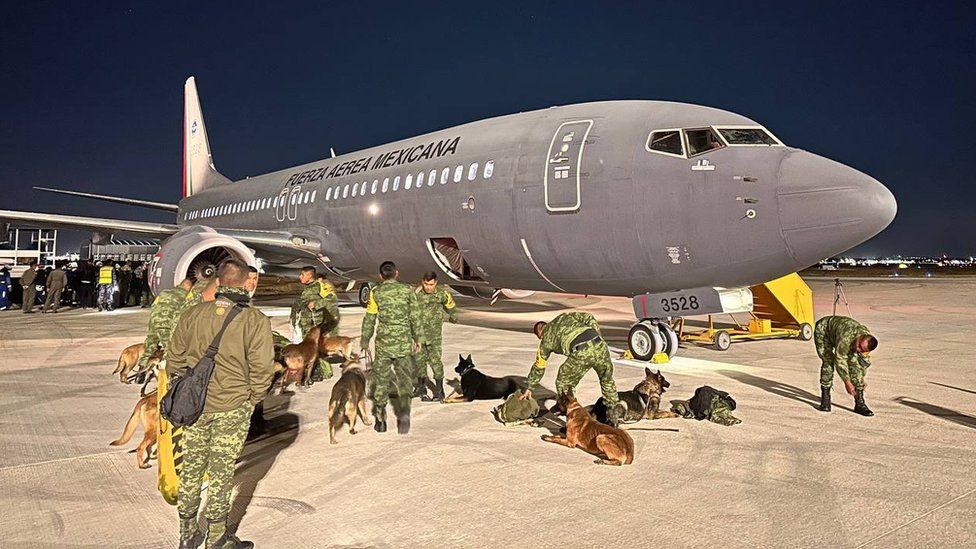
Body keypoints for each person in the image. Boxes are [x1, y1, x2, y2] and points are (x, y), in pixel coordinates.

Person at [165, 258, 274, 549]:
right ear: (244, 283)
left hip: (195, 407)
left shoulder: (192, 314)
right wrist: (252, 399)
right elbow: (263, 370)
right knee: (222, 472)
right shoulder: (255, 320)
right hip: (233, 406)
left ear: (220, 282)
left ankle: (187, 534)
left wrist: (186, 389)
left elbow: (173, 360)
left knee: (191, 468)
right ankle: (216, 537)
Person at [519, 312, 622, 426]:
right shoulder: (564, 317)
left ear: (539, 334)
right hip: (600, 344)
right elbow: (589, 317)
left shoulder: (545, 339)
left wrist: (530, 388)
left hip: (582, 351)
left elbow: (539, 366)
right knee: (607, 380)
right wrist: (597, 335)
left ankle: (572, 420)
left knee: (563, 382)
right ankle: (613, 417)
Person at [361, 261, 420, 434]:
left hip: (384, 345)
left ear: (381, 276)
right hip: (403, 343)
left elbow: (370, 318)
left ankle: (380, 420)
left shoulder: (376, 293)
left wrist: (365, 340)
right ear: (397, 273)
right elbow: (415, 316)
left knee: (381, 381)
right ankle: (404, 415)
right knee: (405, 380)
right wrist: (418, 339)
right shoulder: (407, 291)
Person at [814, 315, 878, 416]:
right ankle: (825, 398)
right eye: (859, 347)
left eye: (862, 350)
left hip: (840, 334)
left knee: (854, 365)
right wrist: (847, 383)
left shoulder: (866, 341)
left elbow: (862, 364)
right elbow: (840, 361)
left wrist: (861, 380)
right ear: (859, 338)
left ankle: (860, 404)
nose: (858, 350)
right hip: (824, 331)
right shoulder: (846, 338)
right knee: (828, 362)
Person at [413, 272, 458, 402]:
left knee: (435, 362)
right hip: (419, 335)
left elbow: (451, 307)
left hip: (434, 336)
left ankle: (439, 390)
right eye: (426, 284)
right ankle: (421, 387)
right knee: (419, 362)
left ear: (436, 283)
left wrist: (453, 316)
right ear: (422, 282)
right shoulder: (416, 295)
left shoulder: (442, 294)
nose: (428, 287)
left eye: (431, 284)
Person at [136, 278, 194, 372]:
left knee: (150, 344)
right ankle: (168, 372)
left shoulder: (164, 292)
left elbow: (154, 305)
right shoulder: (186, 296)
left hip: (154, 319)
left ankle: (142, 368)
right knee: (170, 348)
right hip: (166, 324)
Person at [290, 266, 334, 381]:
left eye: (302, 275)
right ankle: (312, 373)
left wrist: (317, 303)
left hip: (313, 325)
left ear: (309, 276)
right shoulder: (309, 288)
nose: (300, 277)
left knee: (312, 350)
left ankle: (316, 372)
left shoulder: (320, 286)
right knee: (308, 350)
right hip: (306, 324)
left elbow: (331, 298)